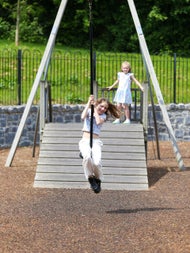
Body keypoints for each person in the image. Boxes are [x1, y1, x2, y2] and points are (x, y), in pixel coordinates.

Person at [79, 95, 120, 193]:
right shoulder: (89, 111)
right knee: (87, 157)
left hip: (96, 141)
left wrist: (95, 110)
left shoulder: (103, 116)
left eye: (105, 108)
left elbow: (97, 122)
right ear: (97, 104)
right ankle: (90, 178)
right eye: (101, 106)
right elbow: (82, 117)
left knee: (97, 162)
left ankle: (98, 179)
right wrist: (89, 103)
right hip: (85, 140)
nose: (103, 109)